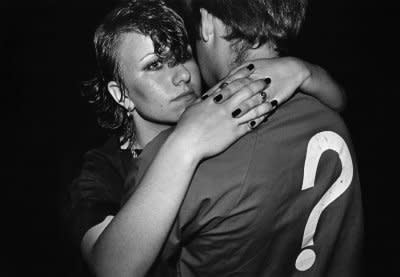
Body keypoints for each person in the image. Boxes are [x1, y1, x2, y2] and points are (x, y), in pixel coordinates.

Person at [67, 0, 347, 276]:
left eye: (183, 55)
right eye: (154, 65)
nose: (181, 76)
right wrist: (185, 145)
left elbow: (337, 102)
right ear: (121, 94)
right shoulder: (99, 174)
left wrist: (302, 70)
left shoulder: (229, 119)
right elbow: (110, 267)